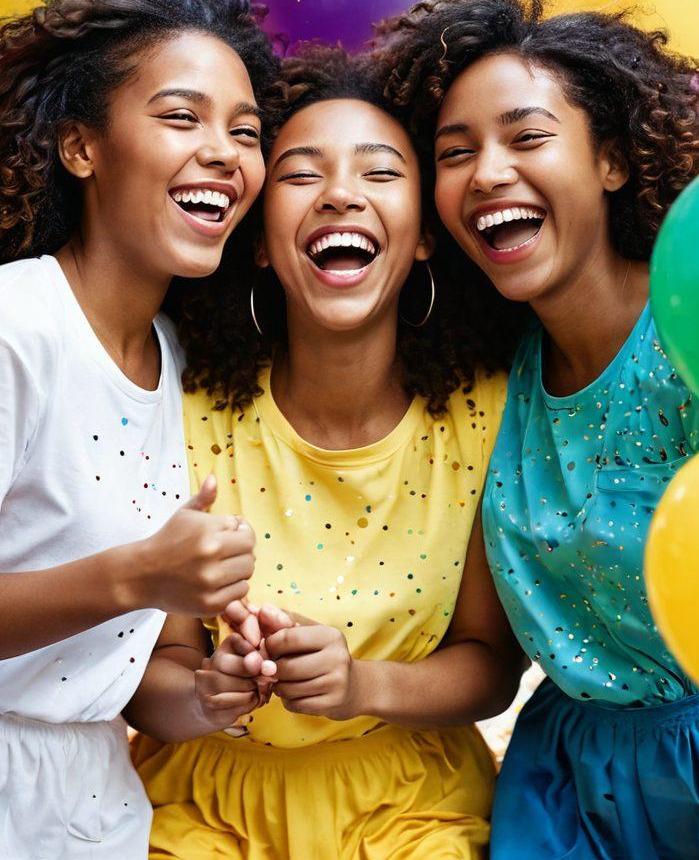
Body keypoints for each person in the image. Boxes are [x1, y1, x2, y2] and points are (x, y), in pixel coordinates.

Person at [0, 0, 278, 859]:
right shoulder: (7, 328)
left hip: (88, 805)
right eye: (182, 117)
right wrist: (139, 575)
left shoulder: (175, 359)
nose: (223, 151)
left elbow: (146, 676)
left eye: (245, 132)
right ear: (81, 147)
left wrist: (212, 692)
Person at [377, 0, 699, 859]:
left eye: (527, 137)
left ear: (613, 161)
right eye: (454, 152)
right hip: (568, 789)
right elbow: (490, 648)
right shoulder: (493, 379)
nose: (487, 173)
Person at [126, 45, 527, 860]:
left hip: (413, 812)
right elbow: (150, 677)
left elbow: (491, 667)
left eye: (380, 173)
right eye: (302, 175)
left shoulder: (484, 415)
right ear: (261, 242)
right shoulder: (183, 411)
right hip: (201, 807)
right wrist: (207, 694)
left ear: (425, 236)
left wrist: (359, 686)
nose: (340, 194)